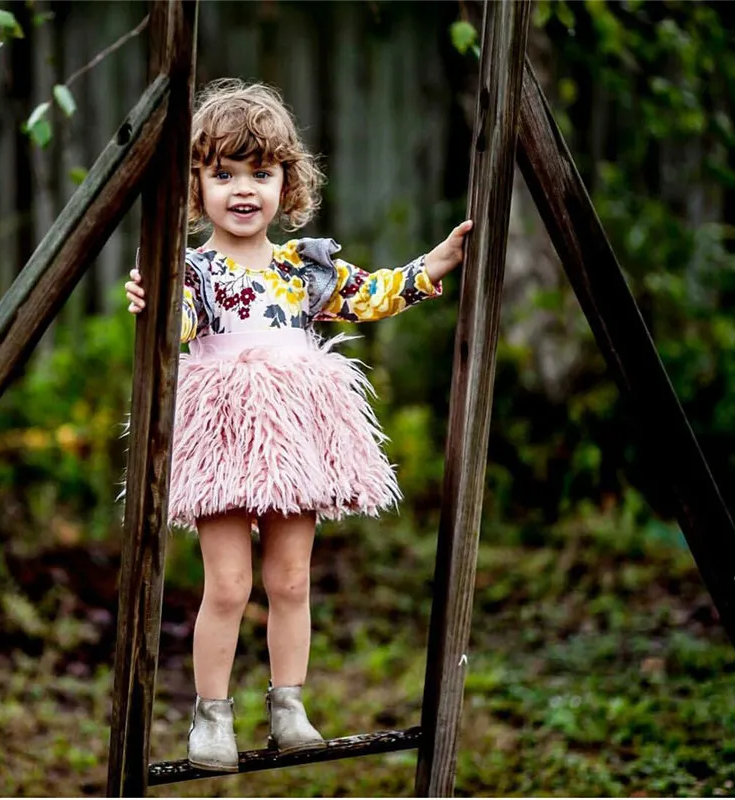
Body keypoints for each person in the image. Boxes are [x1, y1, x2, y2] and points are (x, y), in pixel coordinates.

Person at [124, 78, 472, 773]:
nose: (243, 189)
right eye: (222, 174)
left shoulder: (304, 271)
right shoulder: (190, 271)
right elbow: (175, 326)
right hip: (224, 431)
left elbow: (369, 295)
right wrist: (151, 297)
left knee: (290, 579)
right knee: (228, 584)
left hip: (293, 435)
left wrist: (431, 266)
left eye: (262, 172)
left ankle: (288, 706)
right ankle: (210, 715)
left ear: (289, 181)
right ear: (197, 187)